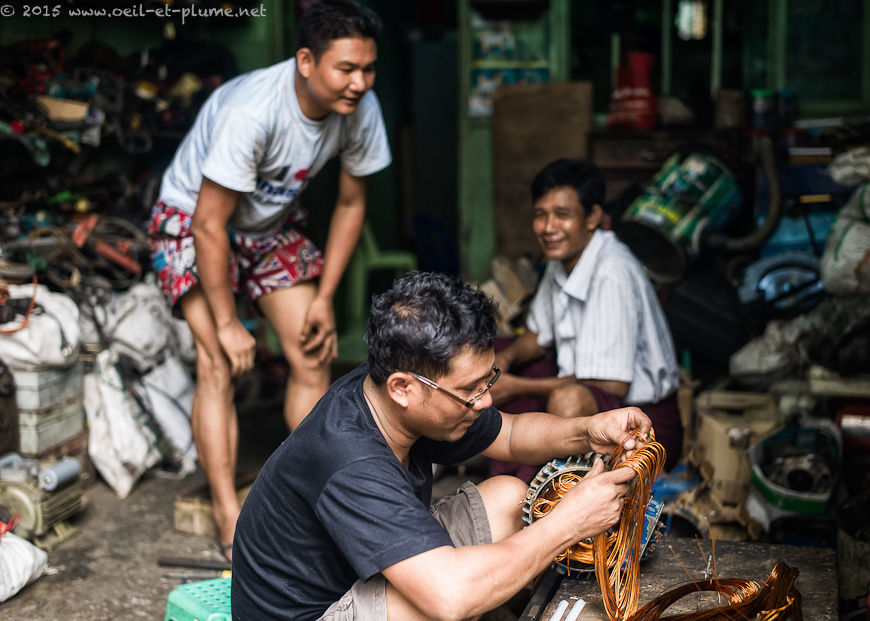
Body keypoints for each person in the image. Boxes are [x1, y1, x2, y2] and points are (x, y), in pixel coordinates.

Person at [232, 271, 652, 620]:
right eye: (470, 389)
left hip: (356, 582)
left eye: (487, 380)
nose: (484, 399)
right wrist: (570, 523)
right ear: (403, 388)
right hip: (316, 614)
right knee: (439, 598)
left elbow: (509, 433)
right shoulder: (350, 459)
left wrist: (588, 429)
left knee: (508, 497)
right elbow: (449, 597)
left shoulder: (396, 396)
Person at [147, 0, 391, 560]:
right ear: (306, 60)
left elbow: (352, 203)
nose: (359, 83)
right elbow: (209, 225)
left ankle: (309, 500)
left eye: (368, 68)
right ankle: (229, 516)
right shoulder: (253, 111)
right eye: (346, 69)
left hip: (266, 227)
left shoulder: (361, 107)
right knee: (217, 362)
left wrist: (326, 298)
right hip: (192, 221)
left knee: (310, 350)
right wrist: (231, 324)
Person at [490, 159, 682, 470]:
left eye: (562, 215)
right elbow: (538, 336)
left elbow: (610, 385)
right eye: (541, 215)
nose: (549, 228)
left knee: (568, 400)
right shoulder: (561, 260)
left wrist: (516, 386)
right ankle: (504, 463)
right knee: (493, 353)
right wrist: (505, 362)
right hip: (589, 394)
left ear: (592, 216)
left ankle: (536, 491)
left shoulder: (611, 273)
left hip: (641, 424)